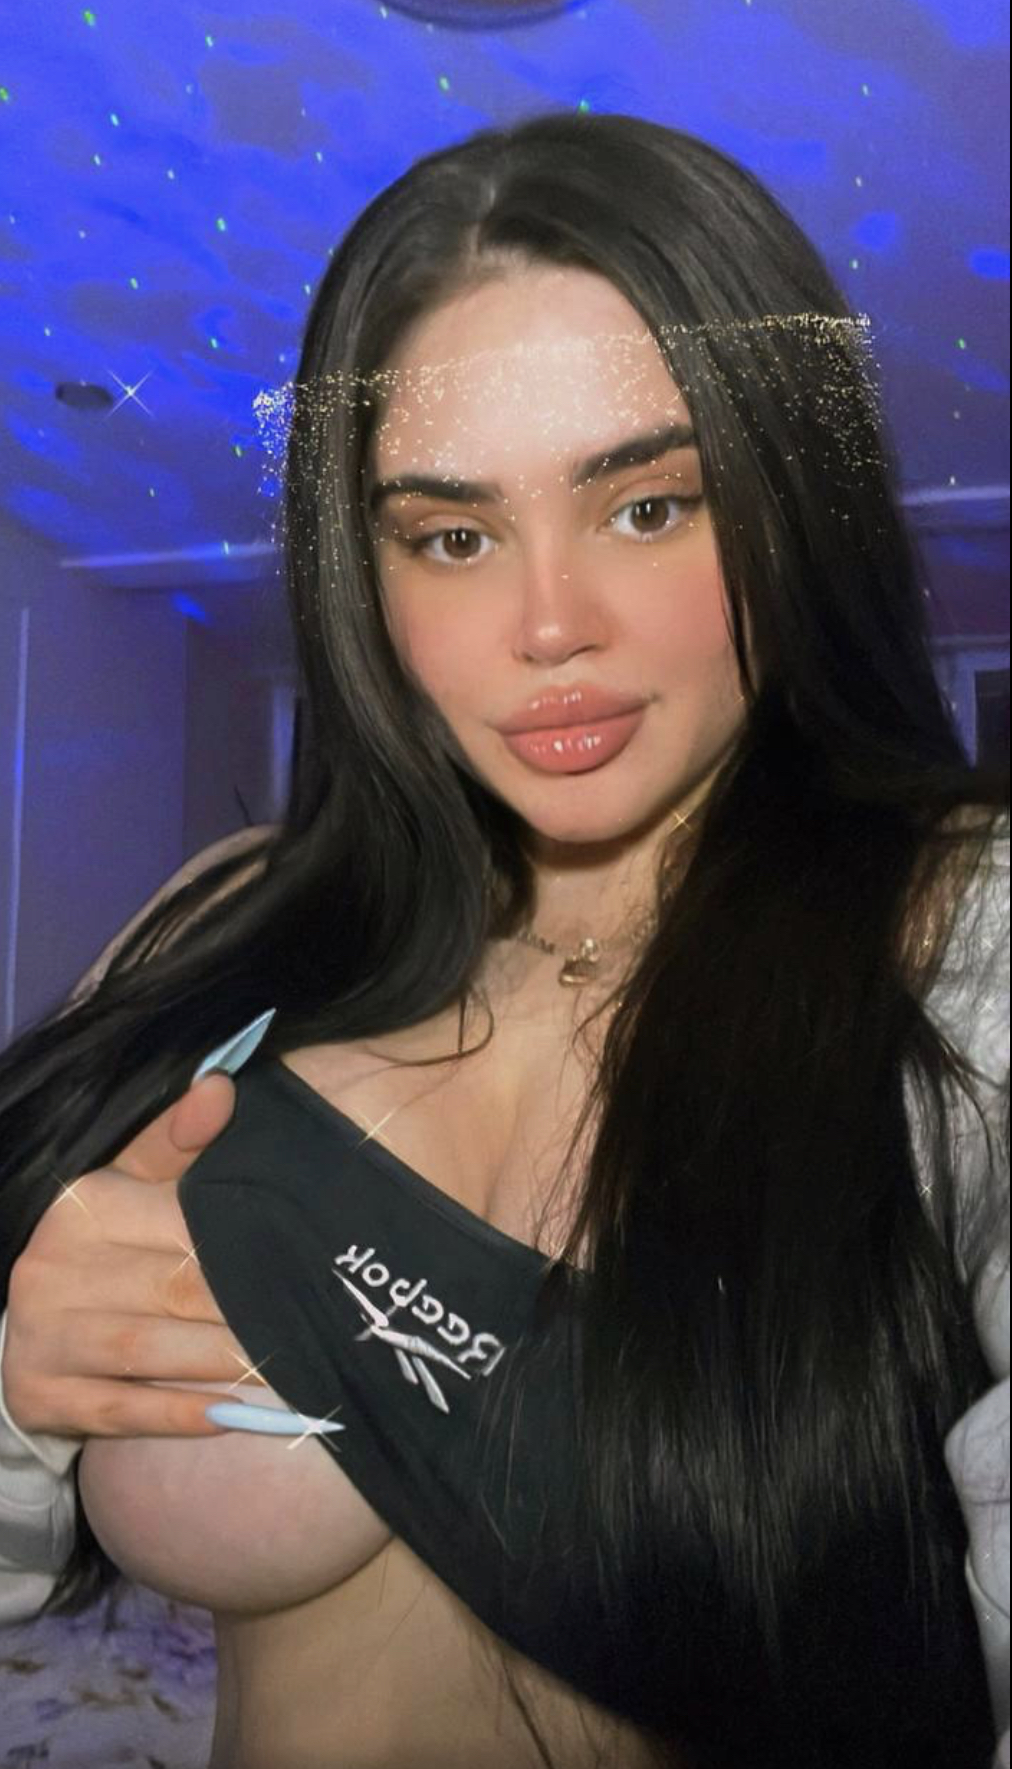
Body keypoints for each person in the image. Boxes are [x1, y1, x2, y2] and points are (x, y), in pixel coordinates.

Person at [0, 108, 1008, 1769]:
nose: (549, 625)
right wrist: (24, 1400)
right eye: (454, 536)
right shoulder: (236, 924)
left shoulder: (963, 939)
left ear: (792, 501)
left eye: (649, 506)